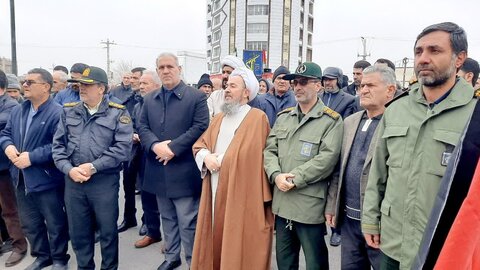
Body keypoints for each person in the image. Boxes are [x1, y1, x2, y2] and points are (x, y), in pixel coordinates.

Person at [361, 22, 477, 269]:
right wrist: (371, 220)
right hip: (393, 242)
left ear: (459, 59)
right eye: (418, 52)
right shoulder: (397, 109)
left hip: (444, 246)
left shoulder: (474, 114)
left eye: (434, 51)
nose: (423, 59)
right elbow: (378, 172)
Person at [191, 67, 273, 270]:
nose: (227, 90)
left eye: (233, 86)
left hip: (241, 191)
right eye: (227, 86)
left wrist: (220, 160)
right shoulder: (218, 118)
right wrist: (206, 157)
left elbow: (252, 157)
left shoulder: (257, 118)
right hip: (215, 187)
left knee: (237, 241)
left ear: (246, 93)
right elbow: (200, 145)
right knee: (214, 234)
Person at [264, 62, 343, 270]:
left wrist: (293, 178)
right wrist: (275, 175)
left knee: (315, 263)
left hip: (309, 206)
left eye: (304, 82)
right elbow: (270, 150)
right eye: (295, 82)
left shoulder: (331, 121)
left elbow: (327, 159)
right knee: (285, 262)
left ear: (318, 86)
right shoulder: (284, 118)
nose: (297, 87)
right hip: (282, 202)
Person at [52, 66, 133, 270]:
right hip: (74, 181)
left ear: (102, 89)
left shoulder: (118, 112)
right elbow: (58, 147)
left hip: (103, 182)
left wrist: (93, 166)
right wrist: (69, 169)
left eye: (88, 85)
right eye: (80, 85)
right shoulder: (69, 110)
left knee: (107, 233)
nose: (82, 89)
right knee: (79, 234)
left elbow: (122, 149)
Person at [138, 52, 209, 270]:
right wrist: (155, 145)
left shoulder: (195, 97)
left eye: (170, 66)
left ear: (179, 69)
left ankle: (191, 261)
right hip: (158, 168)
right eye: (161, 67)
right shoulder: (150, 98)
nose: (166, 70)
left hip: (184, 169)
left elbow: (200, 126)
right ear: (157, 71)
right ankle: (171, 256)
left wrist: (173, 148)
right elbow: (142, 127)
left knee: (188, 221)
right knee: (167, 217)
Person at [325, 66, 397, 270]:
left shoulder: (396, 125)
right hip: (349, 221)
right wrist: (332, 204)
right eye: (362, 85)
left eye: (371, 85)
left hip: (380, 225)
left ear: (390, 90)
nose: (363, 90)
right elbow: (339, 168)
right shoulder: (350, 122)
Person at [0, 68, 70, 270]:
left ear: (46, 87)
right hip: (21, 178)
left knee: (54, 222)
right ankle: (42, 255)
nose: (25, 85)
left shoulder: (58, 112)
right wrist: (9, 146)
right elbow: (6, 133)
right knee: (30, 222)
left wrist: (32, 157)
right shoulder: (19, 110)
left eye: (30, 82)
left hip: (46, 177)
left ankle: (59, 258)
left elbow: (60, 146)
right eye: (24, 81)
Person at [111, 67, 145, 233]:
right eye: (130, 77)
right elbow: (122, 119)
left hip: (145, 146)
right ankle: (129, 218)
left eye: (135, 78)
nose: (132, 80)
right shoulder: (126, 97)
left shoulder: (147, 99)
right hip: (128, 145)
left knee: (145, 186)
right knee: (128, 184)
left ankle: (147, 221)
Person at [132, 70, 163, 249]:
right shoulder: (139, 104)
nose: (141, 86)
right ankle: (153, 232)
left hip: (163, 154)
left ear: (156, 85)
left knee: (167, 200)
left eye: (145, 83)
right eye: (141, 83)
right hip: (143, 155)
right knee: (147, 194)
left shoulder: (163, 103)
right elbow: (135, 125)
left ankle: (172, 239)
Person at [0, 70, 27, 268]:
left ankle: (19, 245)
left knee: (9, 209)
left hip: (3, 168)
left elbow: (6, 134)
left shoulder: (10, 107)